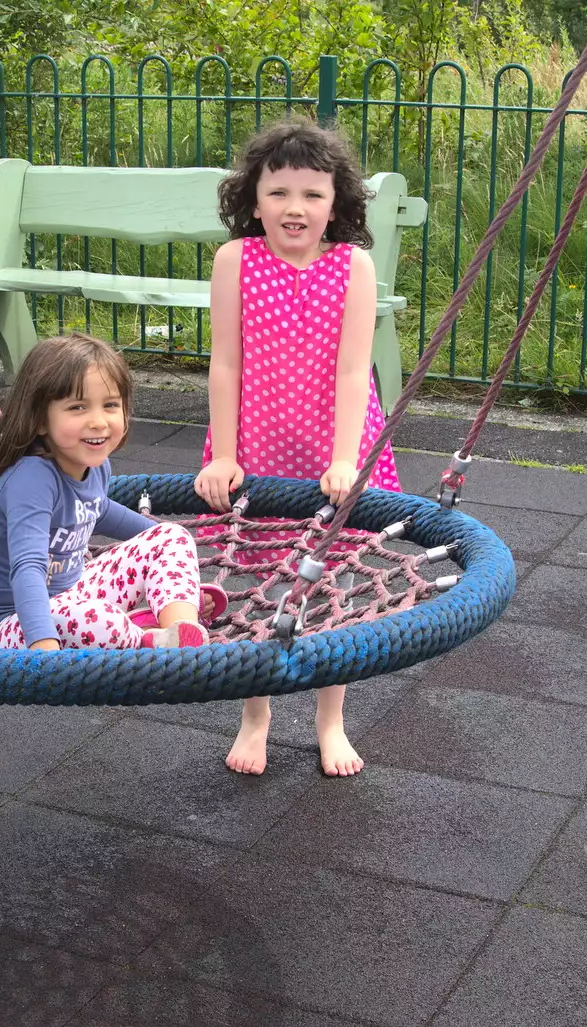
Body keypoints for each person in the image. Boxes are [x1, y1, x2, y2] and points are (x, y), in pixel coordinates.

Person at [193, 116, 403, 779]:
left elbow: (353, 371)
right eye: (279, 192)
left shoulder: (354, 265)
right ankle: (256, 714)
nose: (295, 208)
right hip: (255, 441)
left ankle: (330, 717)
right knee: (259, 581)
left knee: (332, 582)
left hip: (331, 443)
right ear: (252, 200)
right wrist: (223, 455)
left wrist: (345, 459)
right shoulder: (235, 260)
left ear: (337, 202)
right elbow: (225, 364)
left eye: (313, 194)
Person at [0, 332, 222, 652]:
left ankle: (181, 625)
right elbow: (28, 568)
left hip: (70, 595)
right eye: (78, 407)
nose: (98, 421)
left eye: (110, 405)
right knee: (93, 619)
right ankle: (147, 638)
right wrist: (43, 645)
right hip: (3, 625)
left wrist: (168, 558)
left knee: (173, 536)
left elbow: (99, 509)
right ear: (40, 420)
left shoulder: (94, 464)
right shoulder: (31, 480)